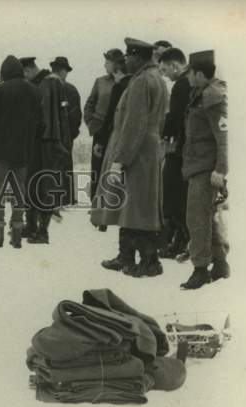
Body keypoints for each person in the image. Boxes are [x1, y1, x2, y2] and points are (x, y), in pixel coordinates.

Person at [92, 38, 168, 277]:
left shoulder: (141, 82)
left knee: (136, 207)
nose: (126, 61)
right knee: (133, 204)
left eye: (129, 57)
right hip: (147, 150)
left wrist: (119, 160)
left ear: (138, 57)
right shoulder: (155, 78)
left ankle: (149, 261)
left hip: (137, 153)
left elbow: (133, 125)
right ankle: (127, 256)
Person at [180, 50, 229, 290]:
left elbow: (223, 136)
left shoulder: (212, 97)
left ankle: (200, 270)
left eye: (190, 72)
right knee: (206, 218)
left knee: (196, 219)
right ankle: (220, 265)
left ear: (199, 74)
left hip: (205, 168)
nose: (187, 76)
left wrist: (221, 169)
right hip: (198, 165)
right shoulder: (202, 94)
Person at [0, 55, 41, 249]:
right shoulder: (33, 90)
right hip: (22, 150)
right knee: (19, 190)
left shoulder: (0, 89)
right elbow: (40, 122)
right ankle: (16, 233)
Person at [23, 56, 72, 244]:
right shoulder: (48, 82)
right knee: (36, 185)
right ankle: (32, 227)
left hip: (46, 144)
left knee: (44, 186)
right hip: (45, 143)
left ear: (28, 70)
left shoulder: (48, 83)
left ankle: (42, 231)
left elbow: (47, 117)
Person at [158, 47, 190, 259]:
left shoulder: (181, 84)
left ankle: (178, 243)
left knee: (173, 193)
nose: (165, 75)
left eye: (165, 69)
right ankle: (179, 242)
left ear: (175, 65)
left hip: (179, 149)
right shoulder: (189, 81)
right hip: (186, 147)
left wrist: (162, 132)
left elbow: (175, 117)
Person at [83, 49, 123, 200]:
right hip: (100, 130)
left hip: (117, 130)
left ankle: (112, 202)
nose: (104, 65)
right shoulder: (100, 82)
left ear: (115, 64)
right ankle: (96, 201)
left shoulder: (125, 81)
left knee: (113, 167)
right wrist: (91, 124)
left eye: (107, 62)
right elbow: (89, 104)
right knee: (97, 167)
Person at [49, 56, 81, 207]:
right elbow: (76, 116)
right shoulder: (70, 89)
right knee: (66, 166)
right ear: (62, 72)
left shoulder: (45, 87)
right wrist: (71, 134)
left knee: (50, 167)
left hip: (49, 136)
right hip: (66, 135)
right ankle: (66, 198)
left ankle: (51, 198)